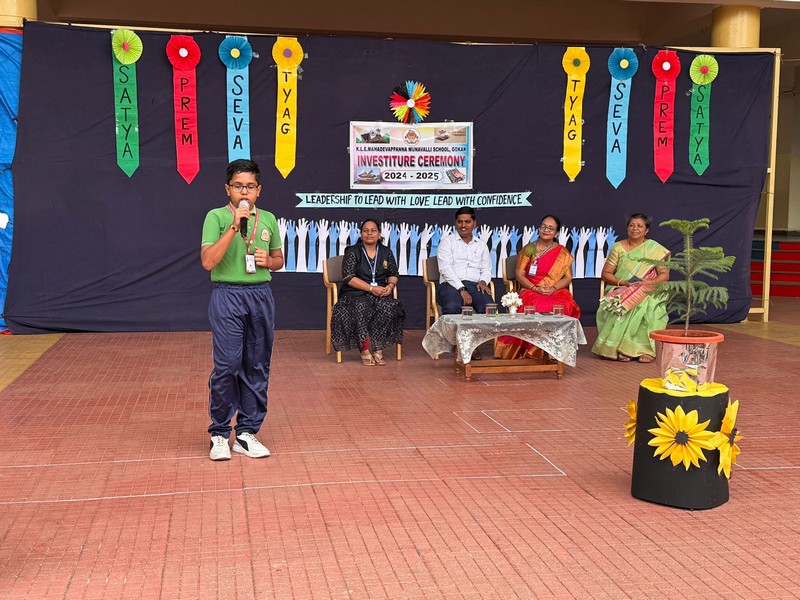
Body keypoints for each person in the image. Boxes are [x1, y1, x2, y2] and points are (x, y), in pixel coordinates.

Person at [201, 159, 283, 461]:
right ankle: (220, 433)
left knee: (257, 364)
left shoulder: (270, 219)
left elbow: (279, 259)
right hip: (228, 294)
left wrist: (268, 261)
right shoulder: (216, 217)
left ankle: (247, 432)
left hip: (260, 294)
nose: (244, 192)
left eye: (249, 186)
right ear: (228, 189)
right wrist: (236, 225)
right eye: (238, 186)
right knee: (227, 364)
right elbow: (208, 261)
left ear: (259, 190)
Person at [494, 214, 580, 359]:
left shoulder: (562, 252)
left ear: (557, 233)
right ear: (539, 228)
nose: (546, 230)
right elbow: (519, 274)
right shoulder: (529, 249)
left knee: (566, 303)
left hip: (555, 289)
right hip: (531, 289)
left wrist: (553, 288)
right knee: (536, 305)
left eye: (550, 228)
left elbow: (568, 277)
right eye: (543, 227)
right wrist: (535, 288)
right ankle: (534, 350)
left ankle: (555, 350)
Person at [592, 213, 670, 362]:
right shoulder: (618, 247)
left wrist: (647, 283)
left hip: (648, 288)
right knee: (619, 302)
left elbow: (664, 275)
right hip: (621, 287)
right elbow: (606, 274)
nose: (635, 229)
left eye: (640, 226)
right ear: (627, 228)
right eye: (632, 225)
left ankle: (645, 350)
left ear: (646, 230)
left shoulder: (655, 249)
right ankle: (617, 348)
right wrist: (624, 283)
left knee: (650, 305)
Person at [330, 219, 405, 366]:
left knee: (389, 306)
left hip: (379, 293)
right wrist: (371, 289)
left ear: (379, 233)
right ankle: (364, 350)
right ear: (361, 233)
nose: (369, 233)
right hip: (354, 294)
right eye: (365, 230)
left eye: (373, 230)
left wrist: (390, 286)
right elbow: (348, 278)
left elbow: (393, 273)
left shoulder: (386, 252)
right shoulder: (352, 251)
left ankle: (378, 350)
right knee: (360, 307)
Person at [436, 206, 494, 315]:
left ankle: (478, 333)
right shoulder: (447, 242)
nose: (463, 225)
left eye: (467, 222)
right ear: (455, 223)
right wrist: (461, 289)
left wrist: (483, 281)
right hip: (450, 284)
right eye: (460, 222)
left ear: (474, 224)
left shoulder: (481, 245)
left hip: (475, 285)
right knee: (452, 307)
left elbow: (486, 269)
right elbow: (445, 268)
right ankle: (453, 333)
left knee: (489, 309)